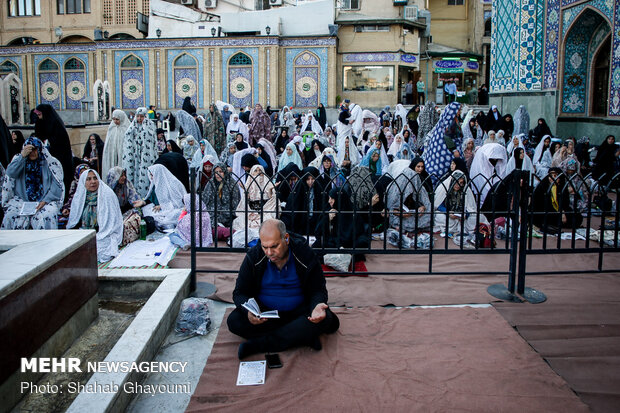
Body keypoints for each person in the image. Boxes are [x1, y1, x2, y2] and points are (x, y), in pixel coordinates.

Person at [227, 219, 339, 358]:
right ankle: (299, 336)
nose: (269, 252)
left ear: (286, 239)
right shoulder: (254, 256)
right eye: (264, 247)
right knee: (234, 321)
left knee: (327, 319)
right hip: (266, 314)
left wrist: (317, 306)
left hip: (299, 311)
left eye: (274, 246)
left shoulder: (304, 253)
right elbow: (239, 293)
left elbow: (318, 289)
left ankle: (259, 345)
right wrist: (248, 311)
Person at [1, 137, 64, 230]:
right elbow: (10, 173)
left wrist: (45, 201)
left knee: (48, 215)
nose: (32, 153)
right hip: (22, 201)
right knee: (11, 215)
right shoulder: (19, 160)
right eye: (29, 150)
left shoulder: (50, 163)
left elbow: (57, 186)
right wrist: (22, 157)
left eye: (34, 150)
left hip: (44, 201)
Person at [67, 169, 123, 261]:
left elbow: (112, 221)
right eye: (88, 179)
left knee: (102, 253)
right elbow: (75, 220)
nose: (92, 182)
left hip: (104, 233)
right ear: (83, 182)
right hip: (84, 232)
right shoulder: (80, 196)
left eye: (95, 178)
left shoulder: (107, 194)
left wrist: (99, 234)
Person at [33, 104, 73, 198]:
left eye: (39, 115)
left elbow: (59, 144)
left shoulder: (56, 125)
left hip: (59, 158)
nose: (38, 118)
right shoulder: (43, 123)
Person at [532, 167, 583, 233]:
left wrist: (563, 212)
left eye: (555, 176)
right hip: (545, 211)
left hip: (559, 211)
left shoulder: (562, 186)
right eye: (551, 176)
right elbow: (539, 203)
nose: (552, 178)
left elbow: (565, 202)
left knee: (577, 217)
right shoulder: (543, 186)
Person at [122, 107, 158, 198]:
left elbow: (151, 142)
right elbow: (127, 139)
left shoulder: (150, 126)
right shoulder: (132, 127)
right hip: (134, 158)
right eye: (137, 116)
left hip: (145, 158)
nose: (139, 119)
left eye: (141, 117)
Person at [433, 170, 481, 236]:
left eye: (461, 183)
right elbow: (438, 205)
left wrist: (465, 215)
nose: (458, 185)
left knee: (475, 217)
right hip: (448, 215)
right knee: (439, 216)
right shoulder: (444, 188)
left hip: (461, 217)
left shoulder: (466, 190)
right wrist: (448, 212)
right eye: (456, 182)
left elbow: (470, 207)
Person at [201, 162, 241, 240]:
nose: (218, 174)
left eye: (221, 171)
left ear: (225, 172)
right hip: (212, 214)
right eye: (216, 172)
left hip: (228, 216)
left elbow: (235, 205)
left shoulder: (232, 184)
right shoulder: (210, 184)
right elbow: (204, 202)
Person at [142, 164, 187, 229]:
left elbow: (179, 202)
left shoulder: (174, 183)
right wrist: (143, 202)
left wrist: (162, 206)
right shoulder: (157, 184)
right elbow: (152, 198)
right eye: (151, 175)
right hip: (163, 209)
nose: (151, 178)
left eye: (152, 175)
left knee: (173, 215)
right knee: (147, 210)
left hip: (175, 209)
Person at [102, 109, 130, 178]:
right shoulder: (112, 128)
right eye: (113, 119)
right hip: (113, 155)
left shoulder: (127, 129)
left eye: (117, 119)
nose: (115, 121)